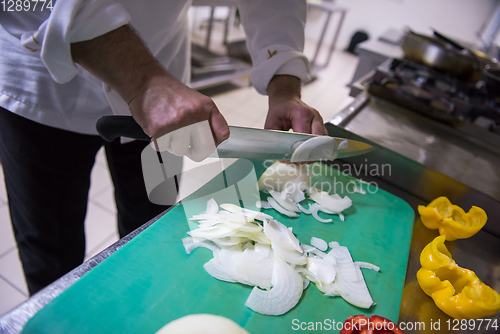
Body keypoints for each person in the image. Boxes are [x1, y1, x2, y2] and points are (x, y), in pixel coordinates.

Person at [0, 0, 327, 295]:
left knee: (150, 226)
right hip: (40, 86)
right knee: (51, 252)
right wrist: (142, 80)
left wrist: (284, 86)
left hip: (165, 80)